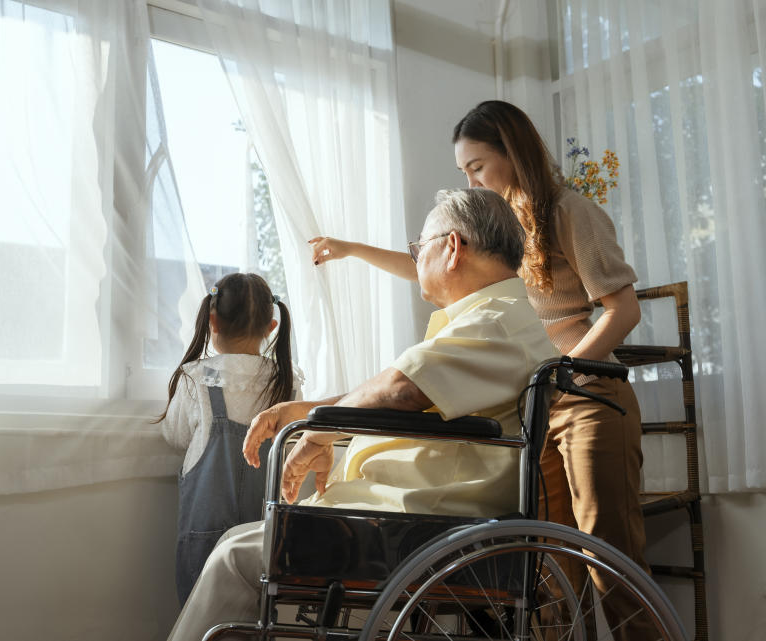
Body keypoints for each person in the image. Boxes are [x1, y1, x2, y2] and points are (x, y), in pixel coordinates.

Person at [310, 100, 647, 638]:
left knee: (606, 553)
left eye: (477, 167)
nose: (471, 180)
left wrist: (564, 371)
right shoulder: (499, 231)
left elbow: (622, 308)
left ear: (513, 154)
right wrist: (352, 249)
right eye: (463, 172)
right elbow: (434, 260)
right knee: (547, 564)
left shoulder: (569, 211)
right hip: (535, 401)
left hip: (584, 397)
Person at [165, 188, 560, 641]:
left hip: (419, 523)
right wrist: (312, 411)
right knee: (239, 542)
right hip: (420, 514)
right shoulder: (500, 318)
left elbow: (399, 390)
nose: (415, 260)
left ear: (451, 249)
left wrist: (320, 430)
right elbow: (408, 392)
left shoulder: (493, 321)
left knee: (234, 558)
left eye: (418, 249)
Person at [156, 272, 302, 606]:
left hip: (205, 540)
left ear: (212, 321)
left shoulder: (196, 380)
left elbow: (176, 436)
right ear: (271, 327)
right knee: (256, 623)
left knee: (201, 619)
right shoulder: (288, 387)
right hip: (263, 542)